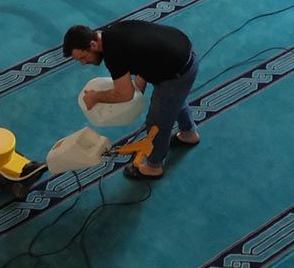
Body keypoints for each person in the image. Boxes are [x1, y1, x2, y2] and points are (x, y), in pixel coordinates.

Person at [63, 20, 200, 180]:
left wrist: (95, 96)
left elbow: (124, 94)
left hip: (178, 72)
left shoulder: (113, 54)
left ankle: (153, 167)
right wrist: (138, 89)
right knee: (173, 101)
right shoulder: (114, 31)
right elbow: (144, 56)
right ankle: (188, 134)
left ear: (92, 45)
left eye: (83, 57)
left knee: (157, 122)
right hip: (183, 53)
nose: (83, 63)